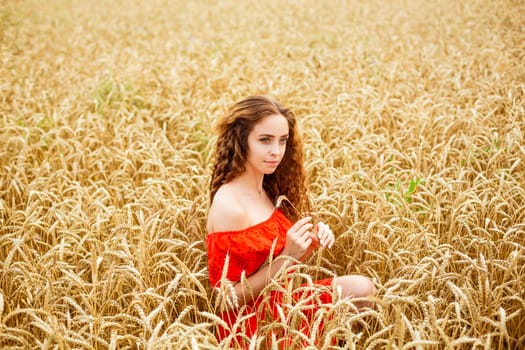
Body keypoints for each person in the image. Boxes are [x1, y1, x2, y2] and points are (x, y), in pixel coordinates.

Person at [205, 95, 376, 347]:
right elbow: (224, 299)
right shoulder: (231, 206)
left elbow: (266, 254)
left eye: (282, 141)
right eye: (265, 140)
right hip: (253, 326)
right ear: (241, 141)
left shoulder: (266, 187)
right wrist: (288, 256)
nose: (276, 151)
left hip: (284, 303)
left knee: (364, 289)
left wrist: (308, 241)